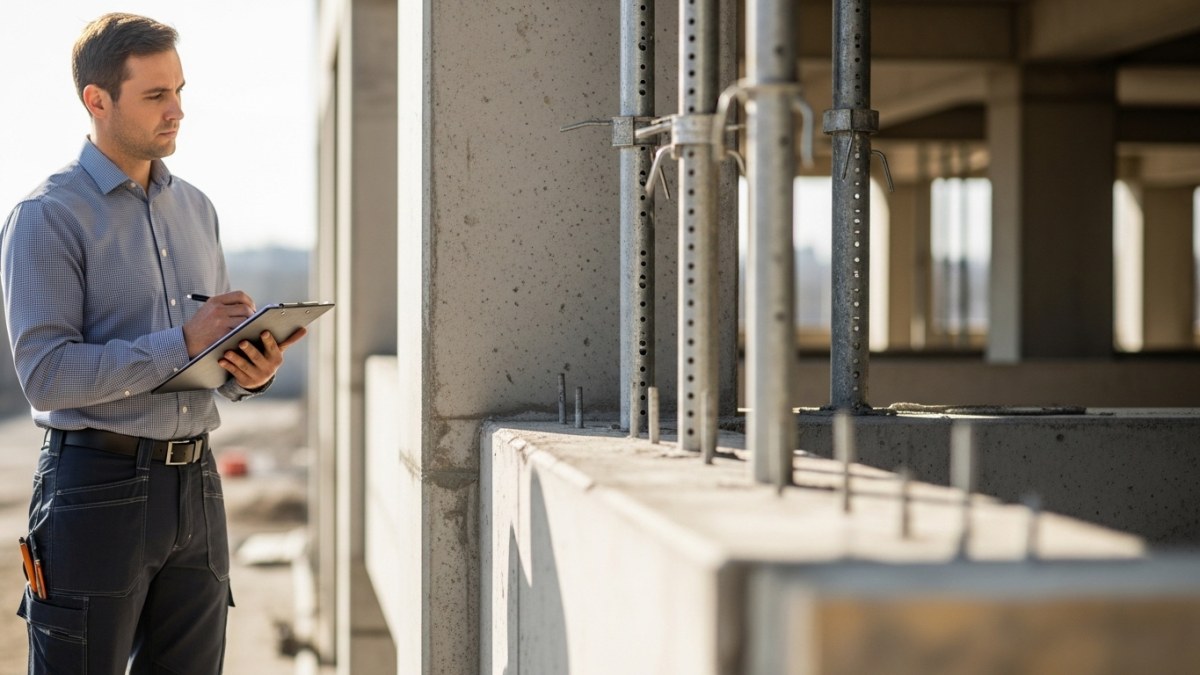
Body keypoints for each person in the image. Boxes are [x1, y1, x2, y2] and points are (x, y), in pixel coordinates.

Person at [1, 13, 305, 674]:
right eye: (157, 94)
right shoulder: (46, 216)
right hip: (95, 490)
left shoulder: (196, 209)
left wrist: (246, 369)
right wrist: (182, 341)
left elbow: (203, 355)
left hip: (197, 484)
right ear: (97, 100)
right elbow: (46, 374)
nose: (178, 110)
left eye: (180, 90)